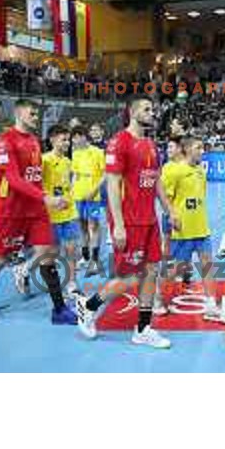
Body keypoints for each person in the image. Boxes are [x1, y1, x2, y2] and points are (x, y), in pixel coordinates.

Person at [76, 96, 177, 348]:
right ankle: (89, 307)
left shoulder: (151, 144)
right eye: (146, 109)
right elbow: (112, 184)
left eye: (153, 109)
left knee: (152, 271)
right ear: (132, 112)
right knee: (131, 277)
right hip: (129, 221)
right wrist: (118, 225)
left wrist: (169, 210)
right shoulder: (119, 142)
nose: (152, 112)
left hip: (149, 220)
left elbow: (156, 181)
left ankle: (143, 329)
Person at [0, 99, 77, 325]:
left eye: (37, 114)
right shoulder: (3, 141)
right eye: (32, 113)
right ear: (19, 114)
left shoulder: (35, 141)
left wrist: (47, 199)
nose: (36, 117)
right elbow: (13, 179)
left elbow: (34, 178)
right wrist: (46, 198)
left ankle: (59, 309)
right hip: (11, 211)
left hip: (36, 211)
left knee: (47, 255)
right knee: (0, 257)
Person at [165, 136, 225, 323]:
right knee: (177, 270)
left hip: (202, 229)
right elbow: (166, 198)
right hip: (183, 231)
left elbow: (200, 198)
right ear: (187, 149)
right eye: (198, 148)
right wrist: (173, 216)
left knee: (208, 266)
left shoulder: (201, 171)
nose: (202, 151)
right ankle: (158, 298)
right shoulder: (176, 171)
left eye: (203, 148)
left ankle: (211, 306)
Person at [42, 124, 81, 297]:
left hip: (69, 212)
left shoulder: (68, 161)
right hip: (51, 215)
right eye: (63, 140)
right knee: (53, 252)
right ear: (52, 140)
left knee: (72, 249)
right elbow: (37, 187)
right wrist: (50, 201)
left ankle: (72, 283)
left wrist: (69, 197)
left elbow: (68, 184)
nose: (67, 143)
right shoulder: (44, 160)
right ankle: (26, 270)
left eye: (68, 140)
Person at [71, 126, 105, 272]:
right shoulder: (75, 153)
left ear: (84, 136)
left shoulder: (97, 152)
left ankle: (95, 260)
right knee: (82, 227)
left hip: (93, 195)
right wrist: (71, 192)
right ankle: (85, 257)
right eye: (73, 138)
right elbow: (75, 175)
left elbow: (105, 174)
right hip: (78, 195)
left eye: (77, 137)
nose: (74, 141)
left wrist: (94, 190)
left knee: (94, 226)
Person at [160, 137, 184, 264]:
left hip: (183, 213)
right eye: (167, 147)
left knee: (182, 243)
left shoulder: (186, 166)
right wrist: (168, 212)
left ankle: (181, 269)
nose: (168, 150)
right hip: (169, 212)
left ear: (179, 149)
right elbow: (163, 193)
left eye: (171, 147)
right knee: (167, 240)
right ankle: (167, 267)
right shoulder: (166, 167)